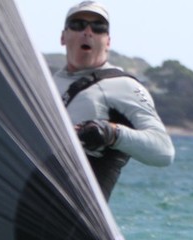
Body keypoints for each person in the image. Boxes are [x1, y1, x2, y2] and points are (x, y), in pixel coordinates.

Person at [54, 2, 174, 198]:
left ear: (108, 41)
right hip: (24, 206)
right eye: (78, 24)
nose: (88, 32)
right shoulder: (46, 83)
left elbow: (164, 151)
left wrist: (110, 133)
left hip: (75, 212)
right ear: (62, 37)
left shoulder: (123, 86)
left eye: (98, 27)